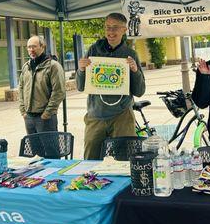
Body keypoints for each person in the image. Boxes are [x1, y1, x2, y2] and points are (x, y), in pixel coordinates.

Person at [77, 13, 146, 159]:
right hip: (96, 115)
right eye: (108, 27)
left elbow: (139, 91)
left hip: (122, 116)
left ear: (124, 30)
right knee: (91, 160)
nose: (111, 32)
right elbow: (80, 86)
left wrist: (135, 71)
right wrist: (81, 70)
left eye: (115, 28)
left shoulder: (130, 54)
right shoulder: (93, 50)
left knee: (126, 159)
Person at [19, 35, 66, 135]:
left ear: (42, 47)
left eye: (34, 46)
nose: (31, 50)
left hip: (45, 118)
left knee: (50, 149)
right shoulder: (26, 67)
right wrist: (23, 111)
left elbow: (59, 91)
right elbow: (21, 88)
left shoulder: (53, 66)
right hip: (29, 117)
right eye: (29, 47)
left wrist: (47, 114)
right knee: (35, 149)